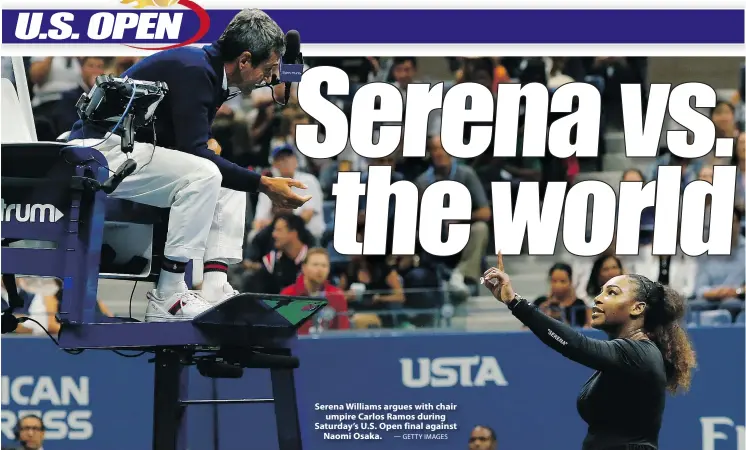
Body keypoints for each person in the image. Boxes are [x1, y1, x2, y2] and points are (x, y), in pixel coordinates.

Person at [65, 9, 311, 322]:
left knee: (223, 174)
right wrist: (264, 185)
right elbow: (194, 152)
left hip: (129, 149)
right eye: (268, 68)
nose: (269, 77)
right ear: (245, 60)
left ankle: (215, 285)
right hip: (98, 152)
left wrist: (207, 144)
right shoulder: (195, 70)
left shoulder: (210, 70)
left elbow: (188, 139)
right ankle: (169, 294)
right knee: (207, 173)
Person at [482, 252, 696, 450]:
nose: (598, 298)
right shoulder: (626, 356)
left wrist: (514, 302)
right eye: (601, 291)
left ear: (637, 308)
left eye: (612, 293)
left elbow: (574, 344)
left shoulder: (639, 353)